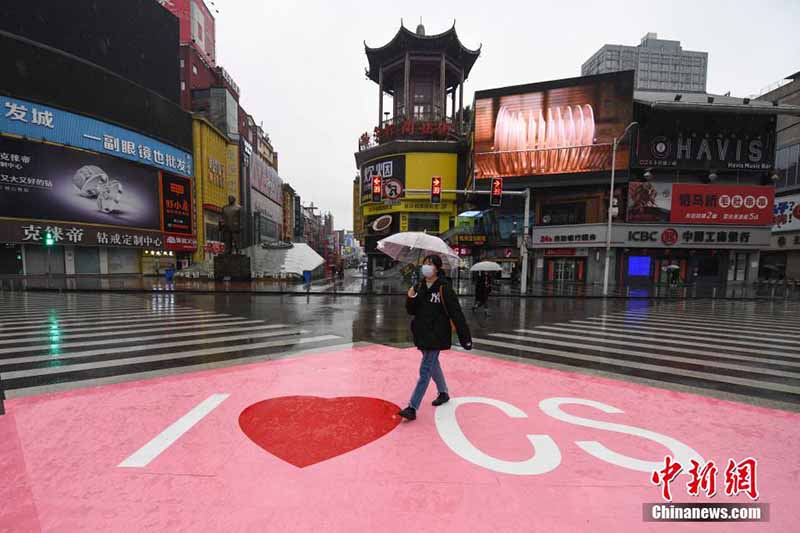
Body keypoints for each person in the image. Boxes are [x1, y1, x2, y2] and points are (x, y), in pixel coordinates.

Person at [398, 255, 472, 421]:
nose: (426, 266)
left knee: (425, 370)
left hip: (437, 335)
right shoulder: (419, 286)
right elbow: (411, 311)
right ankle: (443, 392)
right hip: (422, 333)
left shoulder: (444, 288)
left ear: (437, 268)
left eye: (430, 264)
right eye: (425, 263)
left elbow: (456, 313)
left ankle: (412, 407)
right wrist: (410, 297)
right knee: (433, 365)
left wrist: (465, 337)